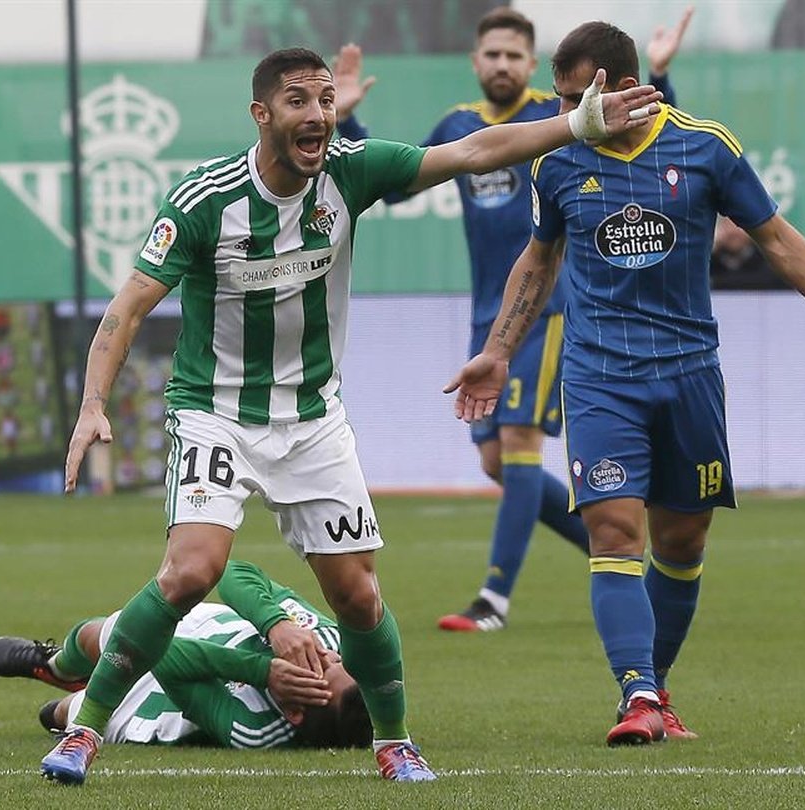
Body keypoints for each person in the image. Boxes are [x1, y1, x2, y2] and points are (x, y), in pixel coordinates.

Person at [42, 45, 664, 785]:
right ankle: (84, 729)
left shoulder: (349, 169)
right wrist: (91, 406)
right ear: (261, 114)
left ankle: (395, 741)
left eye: (326, 101)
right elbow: (128, 307)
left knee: (358, 596)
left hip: (313, 419)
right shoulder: (205, 198)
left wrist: (578, 123)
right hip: (215, 414)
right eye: (299, 102)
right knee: (191, 571)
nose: (318, 117)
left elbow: (472, 150)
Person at [445, 21, 805, 746]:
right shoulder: (557, 159)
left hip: (688, 375)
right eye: (560, 99)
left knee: (681, 544)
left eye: (576, 96)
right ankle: (639, 696)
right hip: (598, 377)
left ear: (623, 89)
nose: (565, 112)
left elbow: (774, 237)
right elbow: (537, 261)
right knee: (615, 531)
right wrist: (499, 351)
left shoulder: (705, 145)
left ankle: (654, 690)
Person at [335, 5, 694, 633]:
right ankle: (613, 552)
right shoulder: (460, 124)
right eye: (491, 54)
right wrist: (348, 119)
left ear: (532, 66)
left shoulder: (556, 116)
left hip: (551, 309)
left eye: (513, 56)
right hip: (488, 315)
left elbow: (644, 126)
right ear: (476, 63)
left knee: (523, 450)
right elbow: (394, 188)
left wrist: (659, 79)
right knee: (499, 462)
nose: (501, 64)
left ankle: (493, 600)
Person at [0, 560, 372, 750]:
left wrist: (262, 670)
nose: (329, 657)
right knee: (102, 633)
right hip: (209, 628)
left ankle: (76, 694)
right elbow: (233, 572)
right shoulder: (325, 639)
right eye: (341, 663)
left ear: (294, 712)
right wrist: (275, 624)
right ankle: (56, 664)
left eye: (321, 671)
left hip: (169, 700)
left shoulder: (257, 730)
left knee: (56, 714)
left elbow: (164, 656)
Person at [709, 215, 787, 290]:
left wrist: (716, 282)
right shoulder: (709, 264)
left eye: (738, 226)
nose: (733, 231)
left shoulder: (768, 263)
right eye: (727, 226)